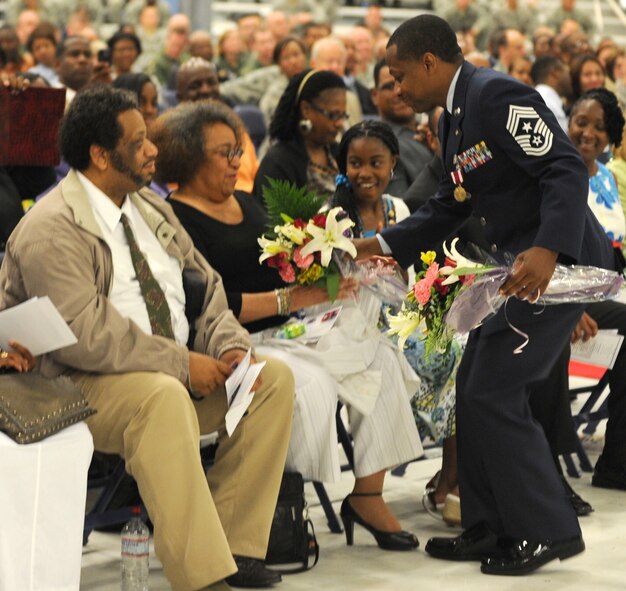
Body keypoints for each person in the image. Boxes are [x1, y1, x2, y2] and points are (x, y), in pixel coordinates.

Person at [0, 85, 295, 591]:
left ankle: (233, 548)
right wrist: (180, 363)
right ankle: (202, 576)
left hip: (168, 371)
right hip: (79, 384)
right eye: (138, 142)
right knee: (160, 399)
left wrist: (227, 346)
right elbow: (85, 335)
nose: (154, 149)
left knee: (270, 379)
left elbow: (206, 289)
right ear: (99, 154)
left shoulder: (150, 209)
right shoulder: (53, 226)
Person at [355, 15, 615, 576]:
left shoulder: (495, 94)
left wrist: (549, 248)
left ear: (429, 62)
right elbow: (452, 204)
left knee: (495, 391)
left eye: (400, 76)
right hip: (519, 267)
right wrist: (377, 242)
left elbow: (564, 167)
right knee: (474, 388)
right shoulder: (453, 117)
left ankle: (543, 531)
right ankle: (488, 524)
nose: (396, 88)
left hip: (556, 265)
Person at [150, 100, 423, 551]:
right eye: (225, 152)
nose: (239, 160)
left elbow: (287, 263)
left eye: (238, 150)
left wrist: (329, 269)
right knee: (310, 384)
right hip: (231, 342)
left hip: (290, 329)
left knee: (381, 356)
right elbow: (202, 308)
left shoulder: (243, 201)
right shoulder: (174, 218)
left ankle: (368, 494)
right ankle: (277, 506)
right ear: (189, 156)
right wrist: (293, 297)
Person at [329, 119, 463, 525]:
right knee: (446, 355)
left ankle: (452, 479)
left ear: (393, 165)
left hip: (403, 314)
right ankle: (452, 483)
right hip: (356, 320)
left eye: (375, 163)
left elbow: (413, 278)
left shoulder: (399, 209)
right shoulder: (331, 217)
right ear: (344, 166)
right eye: (355, 163)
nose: (365, 173)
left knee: (464, 349)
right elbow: (329, 288)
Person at [253, 69, 348, 203]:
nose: (339, 123)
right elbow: (271, 220)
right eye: (333, 115)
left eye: (343, 116)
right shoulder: (278, 163)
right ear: (306, 110)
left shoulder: (339, 153)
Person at [371, 59, 431, 198]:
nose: (398, 91)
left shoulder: (433, 129)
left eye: (403, 81)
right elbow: (400, 208)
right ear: (374, 95)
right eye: (388, 86)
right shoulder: (379, 144)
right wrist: (439, 160)